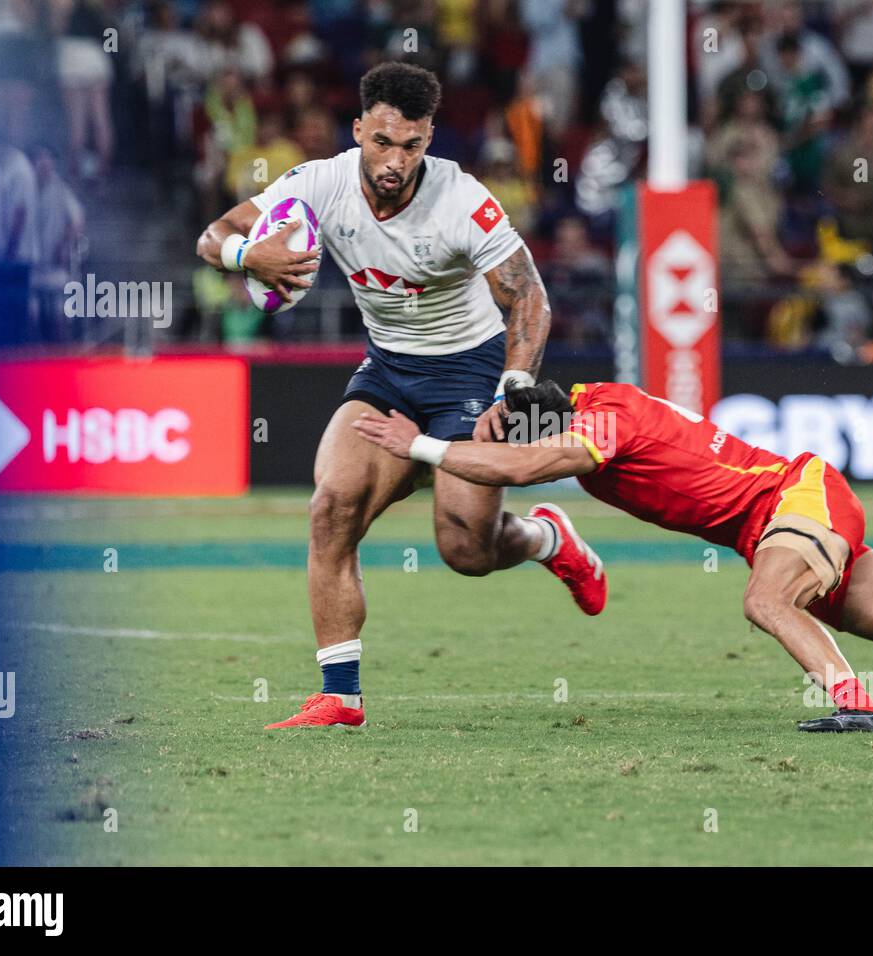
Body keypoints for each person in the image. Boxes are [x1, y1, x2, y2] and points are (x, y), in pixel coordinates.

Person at [354, 381, 873, 732]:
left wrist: (419, 445)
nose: (492, 442)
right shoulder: (585, 411)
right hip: (782, 518)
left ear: (541, 421)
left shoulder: (595, 425)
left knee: (764, 603)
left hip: (795, 500)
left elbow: (517, 466)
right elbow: (514, 455)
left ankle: (859, 706)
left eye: (505, 427)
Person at [196, 63, 607, 730]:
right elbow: (211, 236)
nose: (394, 161)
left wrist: (515, 387)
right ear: (359, 129)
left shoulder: (462, 198)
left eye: (411, 146)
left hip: (471, 375)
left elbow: (528, 294)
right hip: (389, 374)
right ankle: (341, 695)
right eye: (381, 142)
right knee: (331, 508)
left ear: (429, 140)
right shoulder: (319, 182)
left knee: (466, 551)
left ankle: (544, 538)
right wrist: (249, 257)